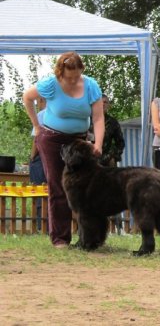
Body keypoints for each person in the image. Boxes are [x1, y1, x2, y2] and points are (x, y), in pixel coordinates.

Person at [23, 51, 104, 248]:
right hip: (52, 140)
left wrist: (98, 144)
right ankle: (60, 238)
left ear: (81, 70)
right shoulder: (51, 83)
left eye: (77, 75)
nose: (74, 79)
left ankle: (89, 237)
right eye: (69, 76)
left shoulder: (91, 86)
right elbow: (27, 97)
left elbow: (98, 118)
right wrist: (36, 125)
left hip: (79, 142)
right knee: (58, 187)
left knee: (85, 187)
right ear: (61, 72)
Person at [28, 97, 47, 231]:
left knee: (39, 191)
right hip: (57, 157)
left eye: (38, 102)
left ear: (42, 101)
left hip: (41, 158)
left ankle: (40, 225)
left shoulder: (41, 115)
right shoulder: (60, 114)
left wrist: (32, 157)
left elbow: (36, 139)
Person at [99, 94, 125, 167]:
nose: (103, 104)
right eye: (100, 102)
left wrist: (113, 157)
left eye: (105, 102)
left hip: (107, 161)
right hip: (90, 160)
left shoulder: (113, 122)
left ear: (108, 106)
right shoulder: (87, 121)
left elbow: (120, 143)